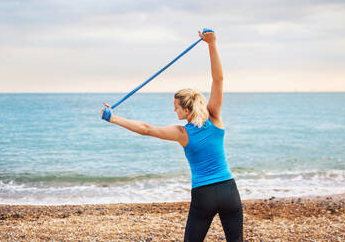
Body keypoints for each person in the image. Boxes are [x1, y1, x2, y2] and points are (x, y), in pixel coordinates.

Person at [100, 30, 243, 242]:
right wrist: (212, 44)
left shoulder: (182, 133)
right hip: (228, 190)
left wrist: (114, 119)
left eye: (176, 107)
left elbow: (146, 129)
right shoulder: (214, 117)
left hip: (203, 194)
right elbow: (218, 79)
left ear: (186, 110)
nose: (174, 111)